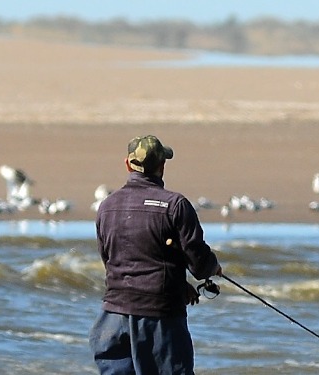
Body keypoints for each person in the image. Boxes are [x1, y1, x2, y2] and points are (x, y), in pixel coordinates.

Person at [90, 135, 222, 374]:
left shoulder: (107, 206)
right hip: (159, 317)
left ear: (128, 165)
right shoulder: (175, 205)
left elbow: (110, 259)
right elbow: (199, 263)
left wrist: (178, 283)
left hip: (111, 317)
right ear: (161, 166)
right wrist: (213, 268)